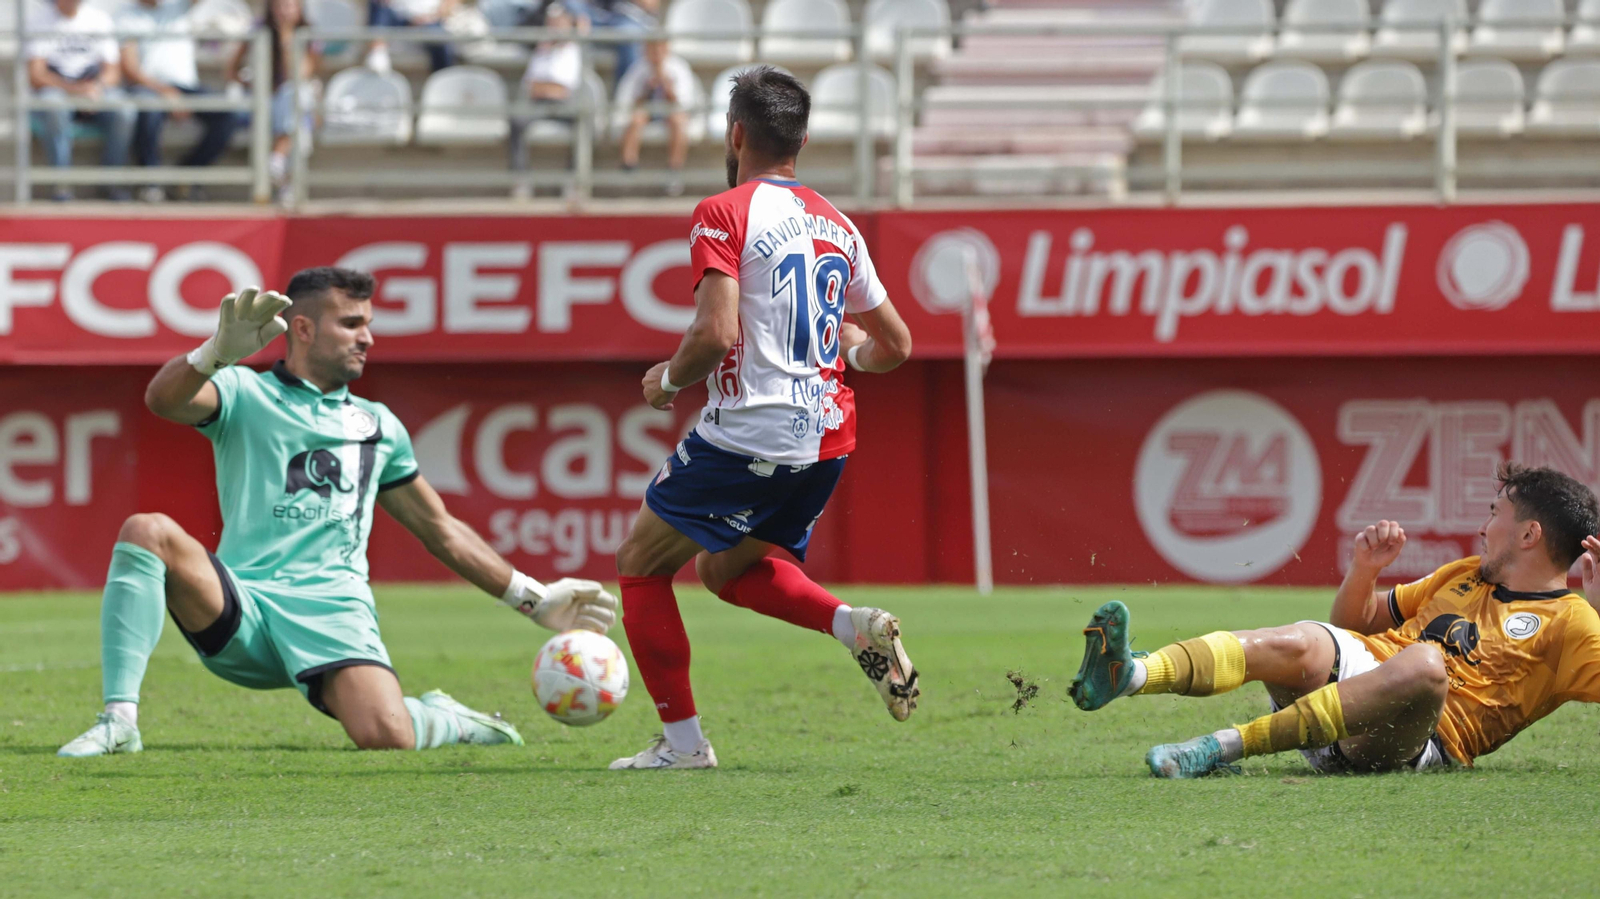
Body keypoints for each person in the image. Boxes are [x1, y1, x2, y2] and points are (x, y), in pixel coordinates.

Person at [57, 268, 617, 757]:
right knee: (146, 530)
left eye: (367, 323)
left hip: (332, 609)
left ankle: (446, 717)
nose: (367, 337)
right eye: (351, 323)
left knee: (386, 736)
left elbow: (439, 529)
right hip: (242, 603)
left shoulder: (377, 425)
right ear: (303, 328)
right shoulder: (243, 392)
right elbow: (163, 401)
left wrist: (533, 597)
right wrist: (213, 354)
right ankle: (119, 721)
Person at [608, 66, 918, 771]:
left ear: (736, 132)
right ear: (802, 141)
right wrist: (850, 351)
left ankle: (684, 746)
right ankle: (853, 625)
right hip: (830, 435)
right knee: (723, 573)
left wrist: (666, 381)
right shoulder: (838, 222)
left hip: (754, 427)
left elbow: (714, 334)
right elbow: (896, 345)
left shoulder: (723, 211)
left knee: (640, 566)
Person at [1069, 462, 1600, 777]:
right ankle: (1131, 674)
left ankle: (1219, 747)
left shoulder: (1572, 621)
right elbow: (1357, 625)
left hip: (1415, 742)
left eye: (1495, 514)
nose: (1484, 528)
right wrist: (1364, 571)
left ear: (1529, 535)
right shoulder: (1463, 573)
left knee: (1424, 664)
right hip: (1348, 690)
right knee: (1302, 638)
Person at [118, 0, 242, 201]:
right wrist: (166, 92)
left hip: (187, 88)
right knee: (148, 110)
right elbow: (130, 69)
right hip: (148, 88)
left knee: (227, 114)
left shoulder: (177, 7)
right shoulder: (126, 17)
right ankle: (150, 183)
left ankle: (186, 175)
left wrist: (174, 94)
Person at [27, 0, 137, 201]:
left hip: (93, 90)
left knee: (125, 110)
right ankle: (61, 185)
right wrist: (75, 90)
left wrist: (95, 88)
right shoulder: (38, 20)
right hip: (58, 90)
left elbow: (113, 72)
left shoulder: (99, 19)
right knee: (53, 106)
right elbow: (36, 75)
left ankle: (110, 182)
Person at [225, 0, 322, 203]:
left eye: (289, 5)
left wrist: (286, 39)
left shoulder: (308, 32)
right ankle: (282, 174)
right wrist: (251, 84)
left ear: (299, 7)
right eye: (280, 5)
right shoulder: (258, 29)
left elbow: (299, 74)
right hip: (265, 100)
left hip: (291, 99)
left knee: (294, 96)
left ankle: (277, 163)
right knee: (296, 115)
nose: (284, 11)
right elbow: (231, 68)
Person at [508, 0, 582, 198]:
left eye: (559, 22)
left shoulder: (574, 49)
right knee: (516, 120)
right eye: (552, 22)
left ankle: (573, 181)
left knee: (584, 123)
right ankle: (521, 181)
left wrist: (546, 88)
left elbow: (564, 90)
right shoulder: (541, 49)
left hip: (564, 105)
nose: (555, 26)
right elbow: (530, 86)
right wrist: (548, 88)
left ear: (567, 23)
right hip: (539, 104)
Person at [615, 39, 695, 194]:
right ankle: (628, 167)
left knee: (678, 121)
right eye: (652, 49)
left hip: (670, 113)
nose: (656, 54)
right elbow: (626, 103)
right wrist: (647, 90)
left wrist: (667, 88)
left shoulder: (679, 68)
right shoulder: (637, 69)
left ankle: (674, 171)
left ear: (666, 49)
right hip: (646, 113)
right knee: (636, 119)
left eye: (659, 49)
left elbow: (684, 105)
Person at [363, 0, 457, 75]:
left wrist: (432, 16)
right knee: (380, 8)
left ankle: (443, 78)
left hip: (431, 21)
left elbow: (449, 4)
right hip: (397, 19)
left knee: (439, 40)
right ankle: (378, 51)